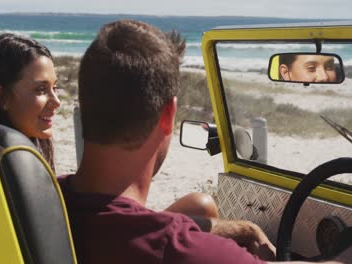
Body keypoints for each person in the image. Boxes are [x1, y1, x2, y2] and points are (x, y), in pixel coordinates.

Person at [58, 20, 349, 264]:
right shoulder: (181, 252)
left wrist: (246, 229)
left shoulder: (50, 198)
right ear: (169, 114)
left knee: (200, 205)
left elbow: (151, 223)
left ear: (84, 106)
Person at [0, 33, 60, 171]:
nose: (56, 101)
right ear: (1, 96)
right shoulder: (6, 170)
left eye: (55, 87)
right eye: (41, 89)